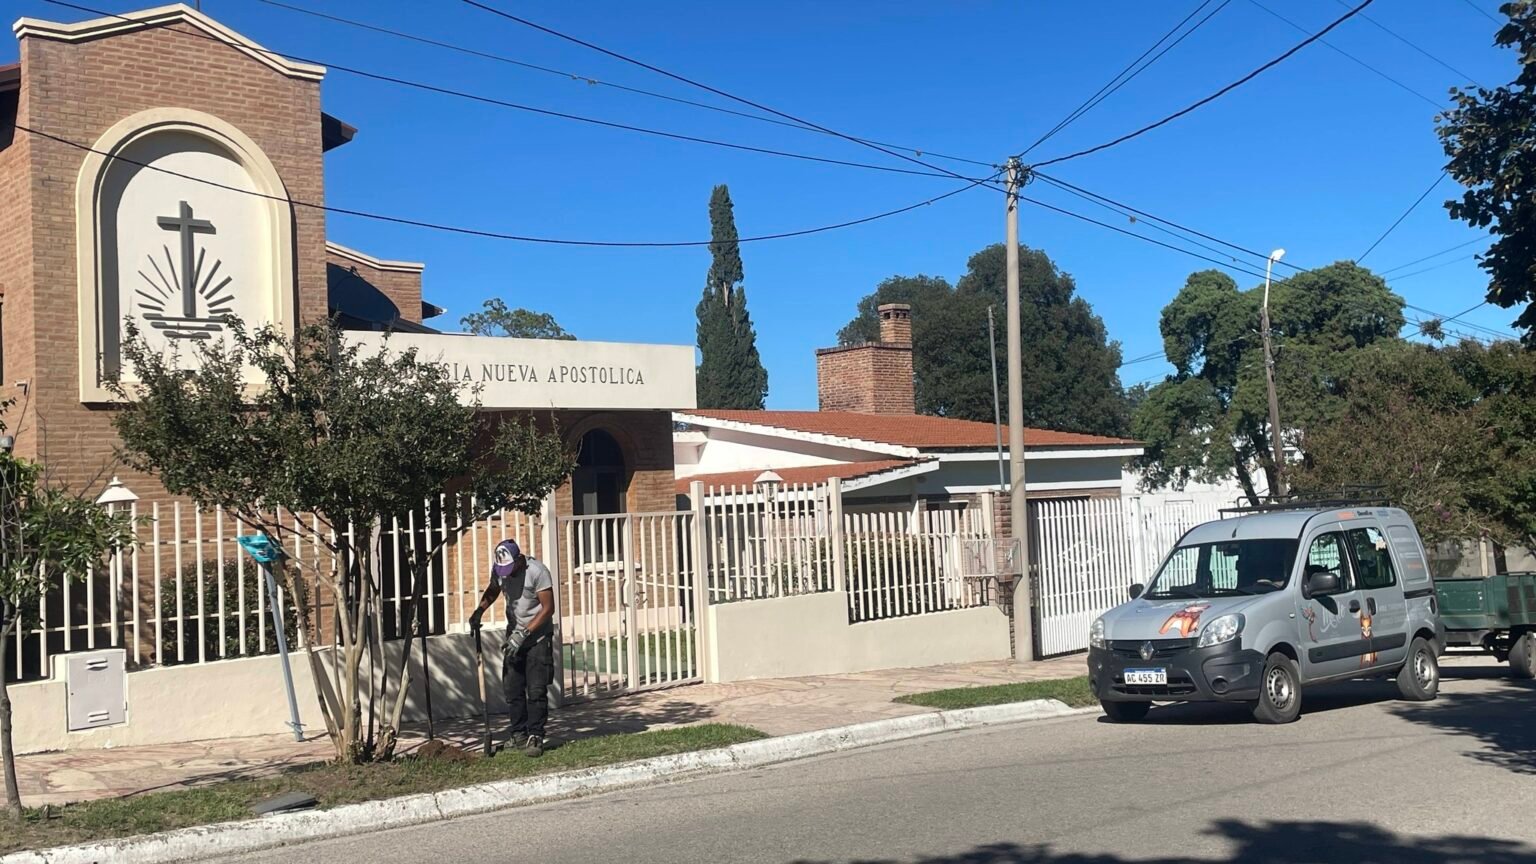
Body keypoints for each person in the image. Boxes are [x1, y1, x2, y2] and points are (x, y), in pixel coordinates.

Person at [468, 539, 555, 757]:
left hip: (537, 638)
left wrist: (524, 633)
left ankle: (536, 736)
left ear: (519, 560)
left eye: (509, 568)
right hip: (513, 636)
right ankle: (519, 735)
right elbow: (493, 589)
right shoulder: (500, 569)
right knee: (513, 689)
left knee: (536, 690)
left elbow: (548, 608)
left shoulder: (537, 572)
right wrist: (479, 611)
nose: (506, 574)